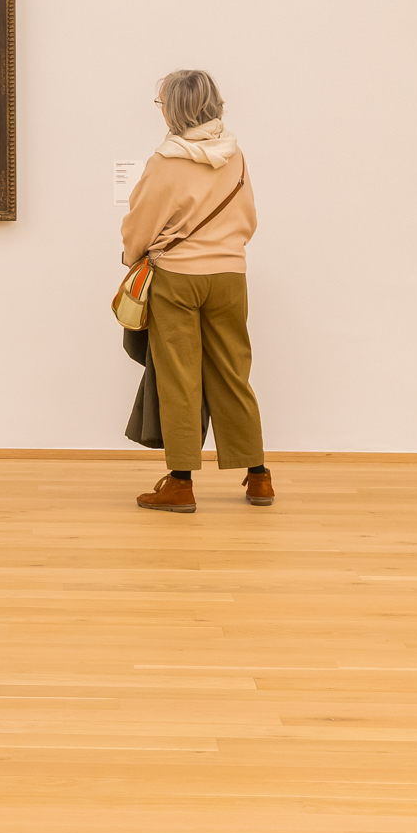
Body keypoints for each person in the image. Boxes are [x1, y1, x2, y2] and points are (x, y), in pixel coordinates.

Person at [118, 69, 269, 512]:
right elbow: (249, 218)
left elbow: (140, 227)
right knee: (232, 373)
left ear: (175, 109)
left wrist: (133, 257)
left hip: (177, 279)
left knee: (179, 378)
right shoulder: (235, 155)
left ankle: (181, 484)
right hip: (230, 276)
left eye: (162, 102)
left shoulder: (165, 162)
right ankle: (259, 476)